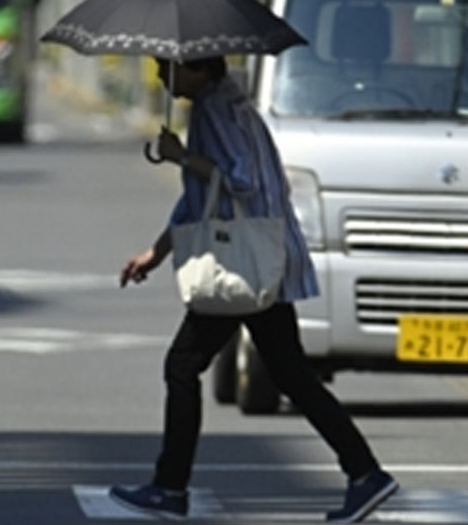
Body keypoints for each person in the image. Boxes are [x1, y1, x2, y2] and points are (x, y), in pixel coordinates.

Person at [109, 56, 397, 523]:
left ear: (199, 68)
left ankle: (169, 487)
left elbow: (238, 180)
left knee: (182, 366)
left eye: (169, 67)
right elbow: (202, 197)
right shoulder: (231, 104)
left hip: (240, 262)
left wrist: (181, 156)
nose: (163, 77)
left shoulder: (216, 110)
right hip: (260, 258)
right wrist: (156, 252)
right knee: (290, 374)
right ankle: (365, 473)